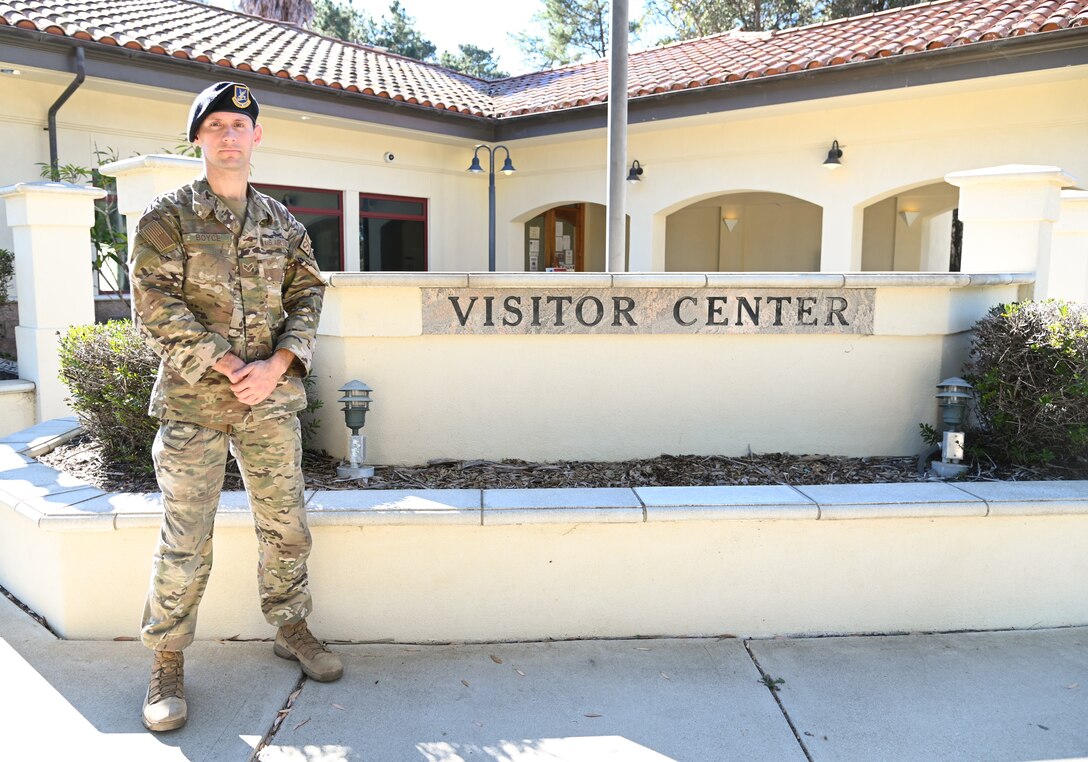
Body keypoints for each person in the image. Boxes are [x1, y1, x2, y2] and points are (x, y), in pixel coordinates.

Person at [129, 81, 340, 733]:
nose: (227, 135)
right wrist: (228, 364)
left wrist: (276, 365)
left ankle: (291, 626)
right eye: (214, 124)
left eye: (238, 125)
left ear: (256, 136)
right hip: (195, 405)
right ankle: (166, 658)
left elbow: (308, 297)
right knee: (186, 537)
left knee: (286, 526)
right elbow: (155, 305)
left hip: (269, 403)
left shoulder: (283, 224)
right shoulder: (167, 219)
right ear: (198, 137)